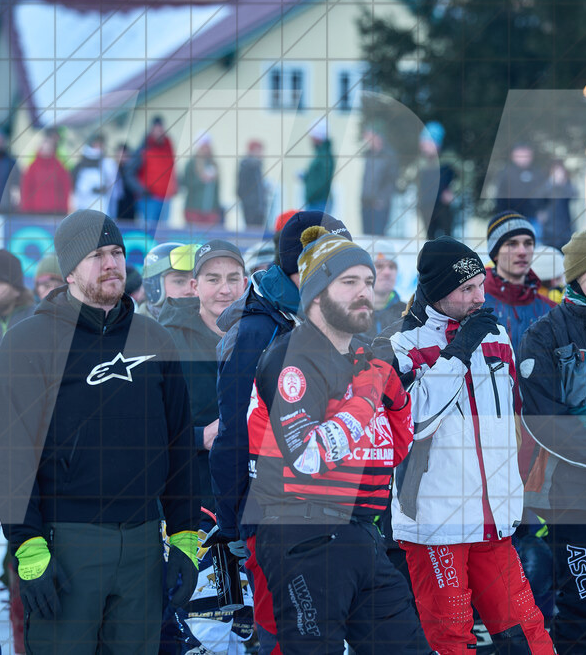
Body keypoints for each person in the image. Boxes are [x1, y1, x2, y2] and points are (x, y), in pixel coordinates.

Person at [0, 209, 197, 653]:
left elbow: (179, 443)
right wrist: (28, 546)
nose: (111, 263)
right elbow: (10, 455)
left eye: (117, 252)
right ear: (68, 271)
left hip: (143, 542)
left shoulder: (154, 339)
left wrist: (183, 535)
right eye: (96, 254)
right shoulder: (28, 342)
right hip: (67, 543)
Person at [246, 225, 429, 654]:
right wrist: (367, 397)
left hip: (362, 534)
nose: (364, 291)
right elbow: (307, 455)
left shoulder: (363, 357)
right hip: (304, 535)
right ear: (316, 293)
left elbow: (392, 451)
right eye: (349, 282)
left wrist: (398, 404)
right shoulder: (292, 359)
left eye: (368, 281)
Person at [387, 236, 553, 654]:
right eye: (467, 289)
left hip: (493, 518)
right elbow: (416, 421)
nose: (480, 297)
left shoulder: (495, 334)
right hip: (435, 523)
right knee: (450, 639)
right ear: (439, 291)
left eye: (481, 284)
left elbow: (512, 417)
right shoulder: (400, 346)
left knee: (527, 634)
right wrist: (459, 351)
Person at [208, 211, 351, 655]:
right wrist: (233, 522)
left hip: (335, 511)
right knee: (284, 636)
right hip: (272, 516)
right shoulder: (258, 330)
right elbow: (232, 432)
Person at [518, 228, 586, 654]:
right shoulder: (544, 335)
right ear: (577, 274)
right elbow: (546, 422)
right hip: (572, 491)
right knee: (583, 605)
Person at [159, 239, 246, 510]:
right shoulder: (165, 341)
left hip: (250, 500)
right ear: (195, 287)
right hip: (187, 500)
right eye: (213, 279)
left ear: (245, 284)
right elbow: (142, 427)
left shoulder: (266, 335)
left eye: (233, 279)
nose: (225, 289)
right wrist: (199, 437)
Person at [483, 212, 555, 351]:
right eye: (512, 244)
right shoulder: (474, 304)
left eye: (528, 243)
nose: (522, 251)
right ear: (495, 253)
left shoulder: (551, 310)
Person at [133, 116, 178, 228]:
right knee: (148, 231)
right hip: (149, 199)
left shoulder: (168, 148)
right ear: (152, 130)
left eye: (161, 129)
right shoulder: (144, 148)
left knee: (162, 231)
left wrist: (175, 185)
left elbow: (172, 169)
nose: (159, 132)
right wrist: (141, 189)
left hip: (165, 198)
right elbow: (130, 173)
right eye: (157, 129)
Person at [416, 122, 457, 239]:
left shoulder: (448, 160)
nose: (423, 145)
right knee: (430, 240)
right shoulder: (420, 162)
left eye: (426, 142)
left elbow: (466, 175)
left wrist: (454, 191)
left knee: (448, 239)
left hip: (443, 206)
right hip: (426, 206)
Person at [140, 242, 198, 319]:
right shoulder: (133, 328)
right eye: (179, 281)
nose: (192, 290)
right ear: (154, 286)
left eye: (196, 282)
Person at [360, 125, 400, 236]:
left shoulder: (389, 156)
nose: (367, 139)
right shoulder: (368, 154)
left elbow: (392, 181)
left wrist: (382, 199)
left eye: (370, 135)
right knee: (366, 238)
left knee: (378, 239)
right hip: (366, 202)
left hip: (379, 205)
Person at [20, 137, 71, 214]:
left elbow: (65, 189)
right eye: (43, 149)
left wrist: (64, 208)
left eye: (48, 149)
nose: (46, 152)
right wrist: (27, 208)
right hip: (35, 211)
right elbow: (26, 189)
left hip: (56, 211)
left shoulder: (59, 167)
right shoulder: (32, 167)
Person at [494, 142, 544, 219]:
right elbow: (500, 196)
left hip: (533, 217)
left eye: (526, 155)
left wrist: (542, 210)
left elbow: (544, 194)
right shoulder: (506, 173)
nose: (524, 158)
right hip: (512, 216)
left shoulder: (537, 174)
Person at [367, 240, 406, 336]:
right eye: (379, 266)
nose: (387, 272)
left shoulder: (408, 314)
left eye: (392, 267)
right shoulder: (352, 313)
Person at [70, 133, 117, 213]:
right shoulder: (80, 165)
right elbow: (74, 183)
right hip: (82, 203)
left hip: (99, 202)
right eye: (95, 144)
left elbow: (111, 183)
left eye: (100, 144)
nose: (97, 147)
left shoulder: (108, 163)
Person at [182, 133, 223, 226]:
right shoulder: (191, 164)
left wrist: (217, 208)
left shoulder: (214, 164)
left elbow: (217, 189)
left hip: (211, 211)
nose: (206, 149)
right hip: (194, 210)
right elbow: (186, 183)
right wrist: (202, 179)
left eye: (207, 146)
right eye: (203, 146)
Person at [538, 161, 576, 249]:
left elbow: (574, 195)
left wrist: (563, 184)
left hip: (566, 226)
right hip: (549, 228)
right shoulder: (546, 185)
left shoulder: (567, 185)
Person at [302, 119, 334, 212]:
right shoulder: (321, 154)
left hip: (319, 202)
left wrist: (312, 194)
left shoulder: (325, 156)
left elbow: (323, 180)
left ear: (318, 137)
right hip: (316, 201)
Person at [238, 140, 269, 231]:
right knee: (253, 231)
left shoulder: (256, 167)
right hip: (252, 207)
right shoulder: (248, 164)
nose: (261, 154)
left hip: (258, 206)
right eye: (258, 150)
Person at [110, 142, 142, 221]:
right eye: (119, 154)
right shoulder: (112, 168)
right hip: (116, 204)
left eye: (124, 155)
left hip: (129, 204)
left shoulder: (132, 170)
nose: (122, 157)